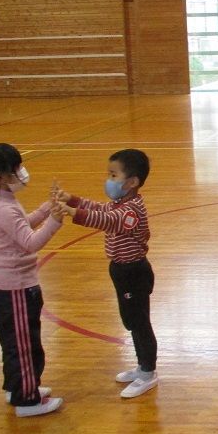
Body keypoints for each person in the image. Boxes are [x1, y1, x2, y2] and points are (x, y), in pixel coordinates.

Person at [0, 143, 65, 417]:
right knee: (23, 345)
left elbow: (21, 227)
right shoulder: (3, 207)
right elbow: (29, 243)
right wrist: (55, 221)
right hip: (13, 288)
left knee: (16, 341)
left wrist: (46, 209)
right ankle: (27, 400)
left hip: (6, 286)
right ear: (0, 176)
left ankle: (18, 387)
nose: (22, 172)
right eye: (16, 168)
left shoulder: (1, 199)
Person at [55, 149, 159, 399]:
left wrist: (73, 213)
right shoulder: (121, 203)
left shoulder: (131, 211)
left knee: (139, 322)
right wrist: (72, 200)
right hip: (121, 270)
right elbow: (101, 208)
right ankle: (142, 367)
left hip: (133, 272)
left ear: (132, 182)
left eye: (114, 175)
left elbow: (106, 220)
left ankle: (148, 372)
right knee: (132, 321)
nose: (109, 180)